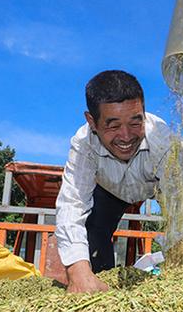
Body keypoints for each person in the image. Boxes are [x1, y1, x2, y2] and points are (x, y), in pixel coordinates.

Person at [55, 70, 172, 293]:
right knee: (94, 231)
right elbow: (72, 204)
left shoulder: (163, 140)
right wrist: (77, 272)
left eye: (135, 122)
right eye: (113, 125)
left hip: (156, 185)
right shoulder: (84, 144)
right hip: (109, 191)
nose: (126, 136)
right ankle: (96, 281)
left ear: (144, 113)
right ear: (92, 122)